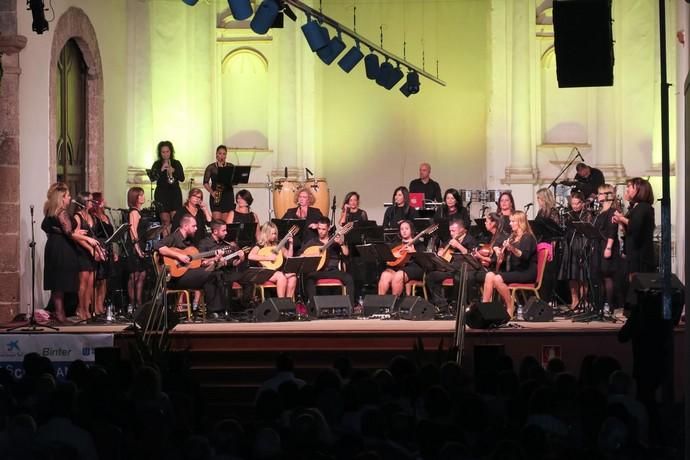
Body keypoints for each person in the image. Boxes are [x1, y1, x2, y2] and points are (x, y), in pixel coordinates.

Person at [155, 214, 228, 318]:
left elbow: (197, 262)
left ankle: (218, 311)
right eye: (194, 226)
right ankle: (213, 312)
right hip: (175, 277)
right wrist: (179, 256)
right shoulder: (174, 237)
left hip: (187, 274)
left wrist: (214, 259)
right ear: (185, 226)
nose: (196, 228)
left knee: (216, 273)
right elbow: (158, 246)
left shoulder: (189, 241)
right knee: (211, 274)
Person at [41, 183, 90, 323]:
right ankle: (61, 315)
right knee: (61, 282)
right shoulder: (61, 212)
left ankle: (60, 313)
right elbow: (69, 233)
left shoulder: (50, 211)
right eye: (68, 196)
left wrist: (70, 232)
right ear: (62, 198)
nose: (70, 198)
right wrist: (87, 239)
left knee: (58, 284)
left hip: (53, 246)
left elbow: (56, 229)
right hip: (62, 248)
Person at [481, 211, 537, 318]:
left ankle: (510, 305)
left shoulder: (527, 237)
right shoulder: (513, 236)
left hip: (526, 271)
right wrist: (499, 251)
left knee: (497, 279)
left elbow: (523, 256)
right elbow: (506, 256)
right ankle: (485, 306)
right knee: (489, 275)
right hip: (515, 271)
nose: (510, 224)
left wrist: (511, 248)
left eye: (512, 221)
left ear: (520, 222)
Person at [198, 220, 253, 313]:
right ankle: (219, 310)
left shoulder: (226, 244)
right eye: (223, 230)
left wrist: (241, 258)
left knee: (249, 279)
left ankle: (242, 306)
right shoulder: (204, 243)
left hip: (228, 271)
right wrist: (216, 259)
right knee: (220, 279)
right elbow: (201, 262)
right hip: (213, 273)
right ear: (215, 231)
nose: (226, 233)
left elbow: (234, 263)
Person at [426, 219, 477, 311]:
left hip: (465, 270)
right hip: (451, 269)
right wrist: (441, 249)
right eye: (450, 231)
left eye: (453, 231)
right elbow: (443, 246)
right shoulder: (451, 240)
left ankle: (458, 306)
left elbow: (472, 256)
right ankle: (442, 305)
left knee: (458, 277)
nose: (451, 233)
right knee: (431, 276)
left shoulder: (470, 239)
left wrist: (458, 246)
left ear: (462, 230)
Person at [302, 217, 355, 305]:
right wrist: (312, 255)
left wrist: (341, 244)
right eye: (319, 228)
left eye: (323, 229)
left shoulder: (335, 240)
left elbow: (346, 253)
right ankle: (313, 308)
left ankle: (350, 307)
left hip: (333, 270)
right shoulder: (312, 242)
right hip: (318, 271)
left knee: (349, 278)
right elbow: (301, 255)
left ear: (329, 228)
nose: (321, 231)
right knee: (309, 279)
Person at [558, 191, 594, 311]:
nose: (575, 206)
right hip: (571, 245)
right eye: (573, 204)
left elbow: (589, 230)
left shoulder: (587, 214)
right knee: (572, 275)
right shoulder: (568, 215)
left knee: (583, 276)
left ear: (583, 203)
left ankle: (584, 299)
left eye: (577, 203)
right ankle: (575, 299)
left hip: (583, 245)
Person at [613, 177, 655, 278]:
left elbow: (635, 225)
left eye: (629, 187)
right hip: (633, 253)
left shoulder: (643, 207)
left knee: (637, 285)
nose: (627, 189)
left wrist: (622, 218)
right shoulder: (635, 207)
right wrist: (620, 221)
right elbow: (629, 230)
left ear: (638, 189)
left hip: (640, 256)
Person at [248, 222, 297, 298]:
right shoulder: (260, 245)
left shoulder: (278, 244)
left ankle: (289, 303)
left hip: (277, 270)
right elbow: (250, 256)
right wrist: (268, 258)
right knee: (281, 276)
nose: (274, 236)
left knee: (293, 277)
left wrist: (291, 244)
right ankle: (281, 304)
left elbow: (289, 256)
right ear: (266, 233)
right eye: (272, 234)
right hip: (264, 272)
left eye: (275, 233)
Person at [592, 184, 621, 309]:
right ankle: (600, 304)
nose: (597, 196)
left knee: (607, 275)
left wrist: (608, 248)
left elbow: (612, 231)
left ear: (607, 195)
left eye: (600, 193)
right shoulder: (601, 211)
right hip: (599, 245)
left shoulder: (612, 211)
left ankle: (609, 305)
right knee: (600, 275)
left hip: (607, 246)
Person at [71, 192, 100, 320]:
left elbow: (94, 236)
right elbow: (77, 237)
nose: (92, 203)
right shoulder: (77, 216)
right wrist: (89, 248)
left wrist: (98, 251)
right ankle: (81, 309)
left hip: (91, 252)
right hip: (82, 251)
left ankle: (87, 309)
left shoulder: (91, 216)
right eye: (90, 200)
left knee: (91, 282)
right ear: (83, 201)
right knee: (83, 282)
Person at [378, 220, 424, 296]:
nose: (404, 231)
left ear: (411, 230)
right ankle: (381, 304)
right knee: (385, 275)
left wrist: (414, 252)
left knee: (398, 276)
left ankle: (394, 304)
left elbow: (424, 261)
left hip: (413, 268)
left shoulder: (418, 244)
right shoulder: (396, 244)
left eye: (406, 228)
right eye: (402, 229)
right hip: (397, 267)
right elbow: (388, 259)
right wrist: (393, 256)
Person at [148, 140, 185, 236]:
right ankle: (166, 244)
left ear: (171, 152)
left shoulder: (176, 163)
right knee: (165, 221)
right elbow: (152, 178)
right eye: (163, 152)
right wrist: (161, 170)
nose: (165, 154)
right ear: (160, 153)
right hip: (162, 194)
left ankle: (175, 244)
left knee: (176, 220)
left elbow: (182, 178)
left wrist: (174, 171)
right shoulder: (157, 164)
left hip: (175, 194)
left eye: (167, 151)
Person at [89, 192, 117, 316]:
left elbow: (111, 234)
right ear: (98, 202)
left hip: (108, 247)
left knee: (105, 279)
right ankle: (95, 306)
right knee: (98, 279)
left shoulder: (106, 215)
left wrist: (114, 251)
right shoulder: (93, 216)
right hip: (99, 247)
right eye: (102, 200)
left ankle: (101, 305)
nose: (104, 201)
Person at [125, 187, 148, 312]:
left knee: (142, 275)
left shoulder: (139, 212)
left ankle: (139, 303)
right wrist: (137, 248)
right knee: (134, 276)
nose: (143, 197)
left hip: (142, 245)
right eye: (141, 195)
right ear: (136, 198)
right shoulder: (133, 212)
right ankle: (131, 304)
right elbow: (133, 231)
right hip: (135, 246)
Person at [203, 144, 235, 221]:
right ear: (216, 154)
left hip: (227, 195)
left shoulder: (231, 166)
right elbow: (205, 182)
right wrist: (212, 192)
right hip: (216, 195)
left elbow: (233, 180)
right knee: (217, 222)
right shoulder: (211, 167)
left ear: (226, 155)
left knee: (226, 222)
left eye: (224, 154)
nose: (222, 156)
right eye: (220, 153)